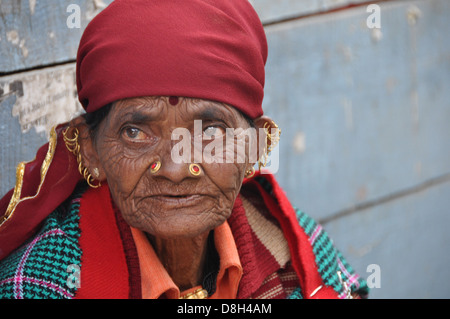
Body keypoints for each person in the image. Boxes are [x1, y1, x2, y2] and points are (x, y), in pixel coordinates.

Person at [0, 0, 368, 299]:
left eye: (210, 132)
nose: (175, 169)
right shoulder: (40, 285)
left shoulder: (294, 248)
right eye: (135, 132)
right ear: (90, 150)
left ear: (257, 145)